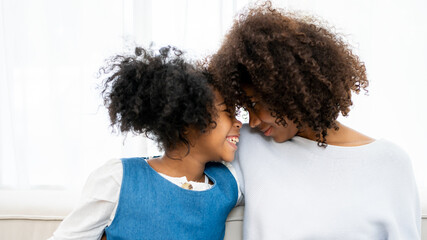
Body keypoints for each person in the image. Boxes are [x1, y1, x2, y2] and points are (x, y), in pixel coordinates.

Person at [209, 2, 421, 239]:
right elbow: (188, 179)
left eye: (256, 104)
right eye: (246, 108)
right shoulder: (248, 145)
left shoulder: (391, 164)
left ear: (289, 91)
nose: (254, 121)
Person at [49, 46, 243, 240]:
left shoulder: (230, 183)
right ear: (189, 121)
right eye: (227, 111)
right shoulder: (119, 180)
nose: (238, 122)